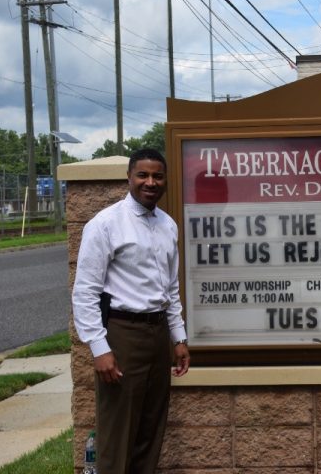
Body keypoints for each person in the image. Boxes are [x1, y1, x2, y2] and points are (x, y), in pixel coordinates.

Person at [72, 148, 190, 473]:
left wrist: (178, 338)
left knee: (150, 433)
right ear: (129, 177)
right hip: (122, 336)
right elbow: (85, 292)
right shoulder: (105, 225)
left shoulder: (168, 226)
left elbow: (170, 289)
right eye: (143, 175)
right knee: (117, 435)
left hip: (157, 337)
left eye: (157, 176)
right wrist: (99, 348)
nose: (150, 182)